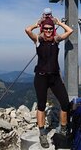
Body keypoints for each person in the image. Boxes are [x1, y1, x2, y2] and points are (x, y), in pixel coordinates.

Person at [25, 8, 73, 148]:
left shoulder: (56, 40)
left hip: (55, 77)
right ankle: (42, 134)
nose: (47, 31)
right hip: (40, 77)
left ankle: (63, 130)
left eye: (50, 28)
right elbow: (27, 30)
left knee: (65, 103)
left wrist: (58, 22)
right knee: (41, 105)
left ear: (53, 29)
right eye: (45, 28)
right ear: (42, 29)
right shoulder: (38, 40)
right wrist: (37, 23)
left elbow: (70, 31)